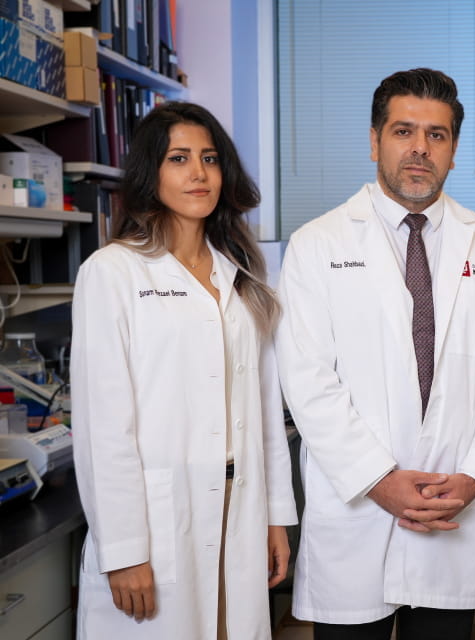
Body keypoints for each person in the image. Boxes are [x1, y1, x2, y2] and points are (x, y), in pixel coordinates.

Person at [275, 68, 475, 639]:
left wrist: (474, 478)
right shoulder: (317, 245)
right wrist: (380, 480)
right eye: (403, 131)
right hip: (356, 511)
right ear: (375, 140)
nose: (420, 149)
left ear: (453, 150)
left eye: (437, 135)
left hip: (456, 508)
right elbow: (307, 380)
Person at [71, 101, 297, 639]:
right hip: (159, 519)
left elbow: (264, 411)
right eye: (179, 158)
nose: (199, 172)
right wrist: (124, 549)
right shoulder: (113, 272)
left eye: (210, 158)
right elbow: (105, 427)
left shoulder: (242, 276)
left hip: (238, 508)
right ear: (152, 174)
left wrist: (275, 517)